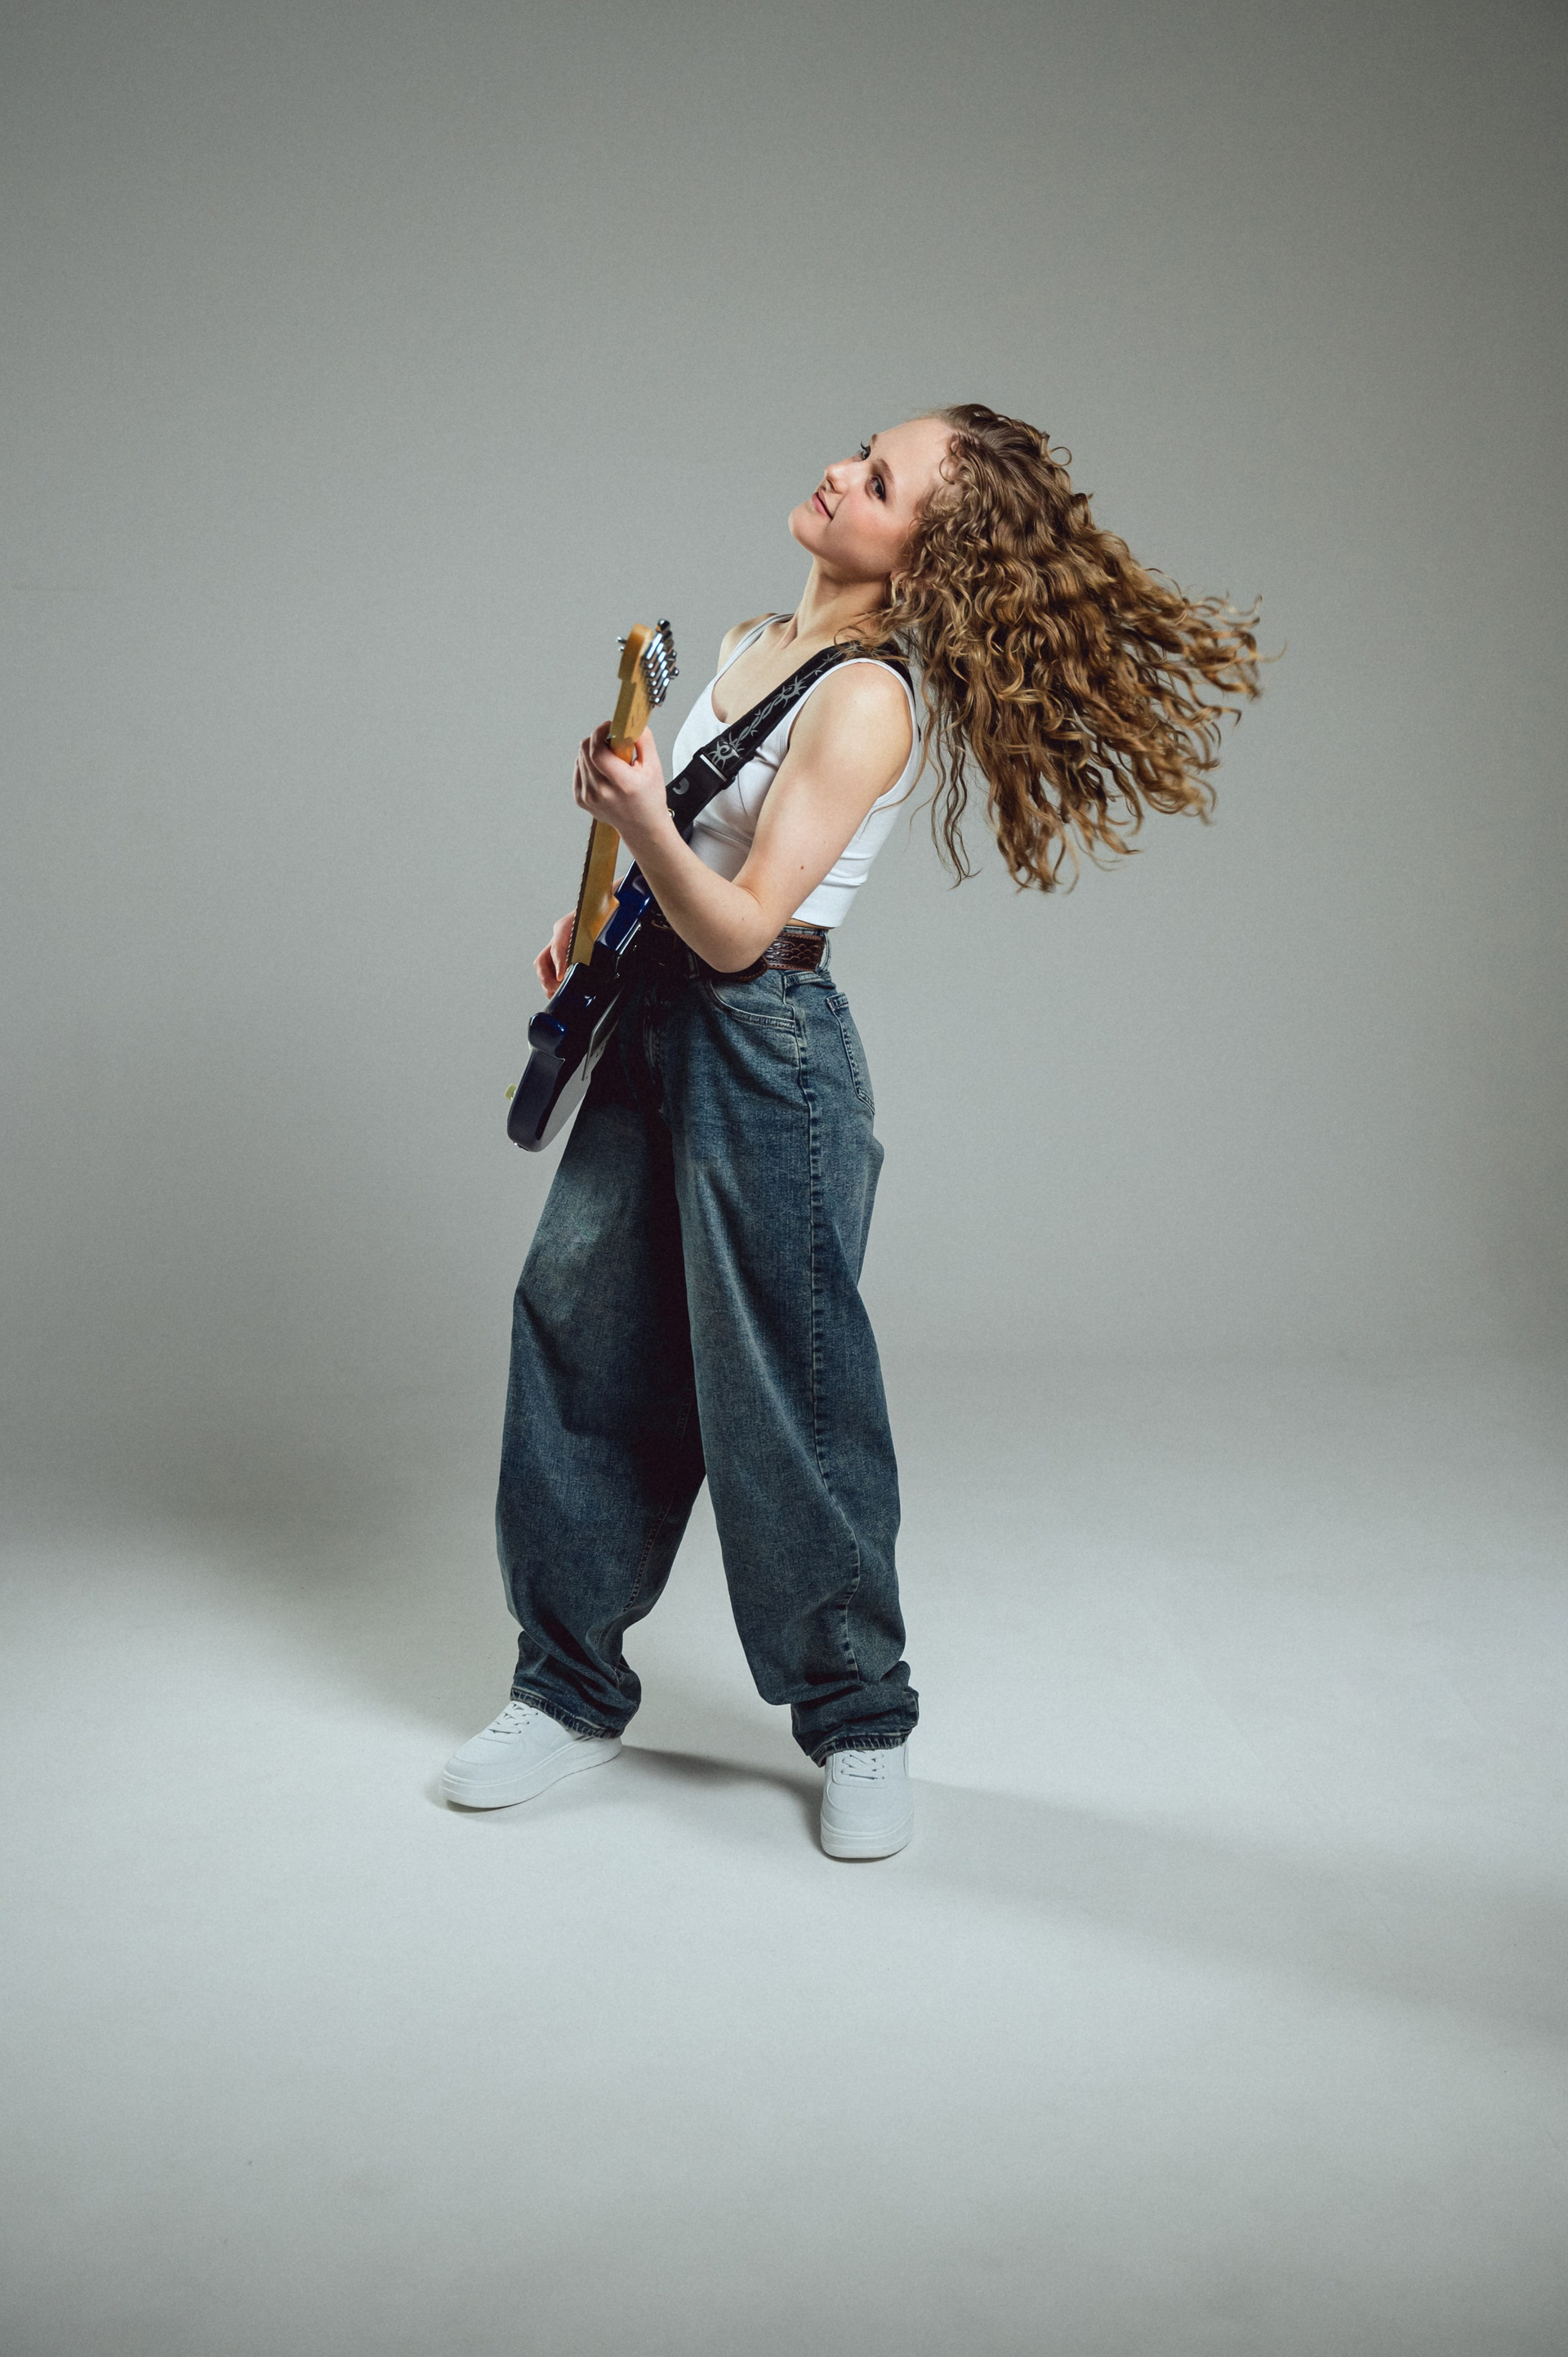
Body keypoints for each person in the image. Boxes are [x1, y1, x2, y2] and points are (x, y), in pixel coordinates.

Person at [442, 404, 1263, 1857]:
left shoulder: (871, 697)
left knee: (784, 1386)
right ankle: (564, 1687)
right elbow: (684, 866)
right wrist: (598, 903)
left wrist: (643, 823)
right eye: (860, 451)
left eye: (879, 483)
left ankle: (861, 1717)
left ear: (924, 555)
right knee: (578, 1331)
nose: (839, 473)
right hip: (653, 1018)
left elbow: (747, 928)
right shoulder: (753, 640)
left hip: (767, 1049)